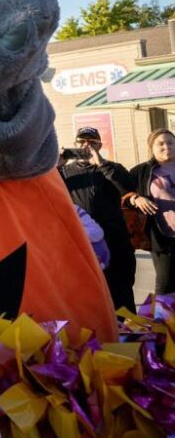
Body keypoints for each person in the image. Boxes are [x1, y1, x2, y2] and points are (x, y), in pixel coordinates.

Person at [57, 126, 136, 311]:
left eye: (92, 142)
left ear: (99, 145)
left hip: (115, 240)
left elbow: (128, 186)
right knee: (88, 294)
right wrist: (57, 165)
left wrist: (101, 163)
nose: (86, 146)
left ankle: (129, 332)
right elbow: (43, 190)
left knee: (121, 291)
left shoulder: (111, 168)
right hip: (84, 243)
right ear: (74, 144)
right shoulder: (64, 173)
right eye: (82, 142)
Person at [126, 128, 175, 296]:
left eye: (170, 142)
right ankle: (162, 321)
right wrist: (135, 198)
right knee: (165, 284)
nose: (166, 146)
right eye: (160, 143)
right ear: (151, 148)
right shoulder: (141, 172)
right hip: (162, 236)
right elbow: (123, 192)